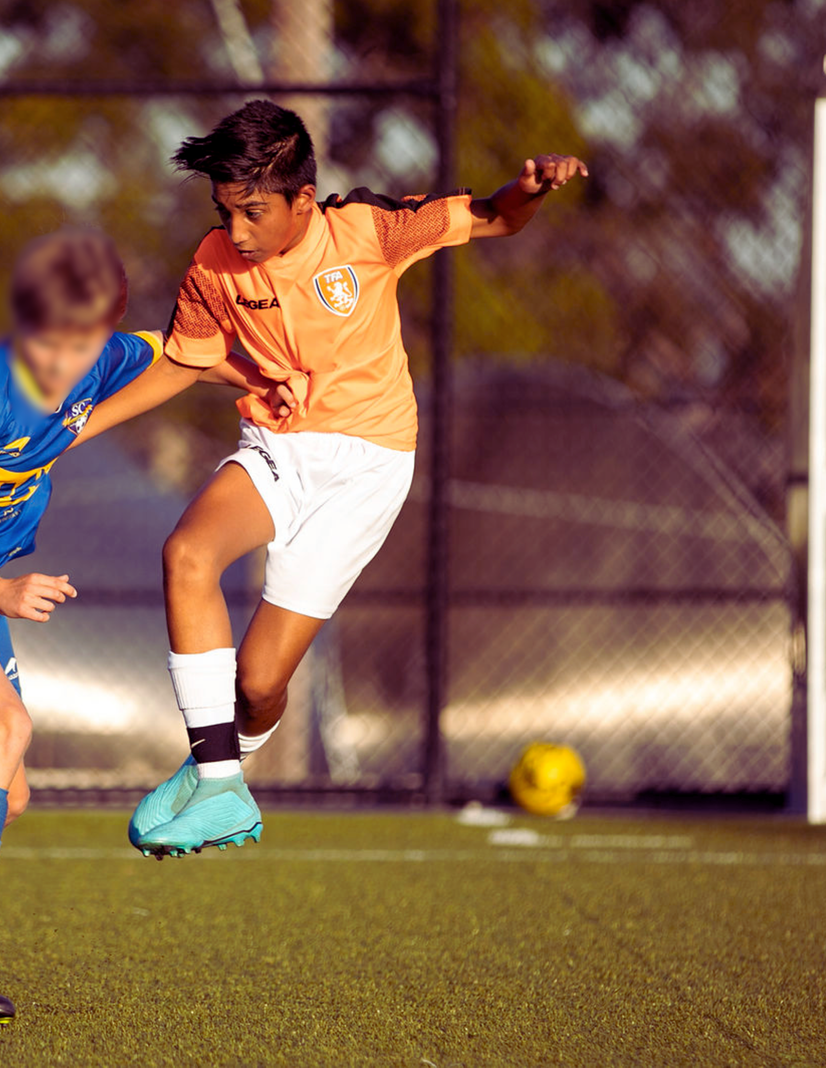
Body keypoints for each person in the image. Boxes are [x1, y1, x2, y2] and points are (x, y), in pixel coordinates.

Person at [77, 100, 588, 856]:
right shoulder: (213, 263)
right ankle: (222, 789)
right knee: (186, 555)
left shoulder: (369, 230)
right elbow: (183, 364)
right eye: (225, 212)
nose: (237, 232)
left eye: (252, 213)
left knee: (257, 688)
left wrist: (532, 189)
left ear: (303, 200)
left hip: (367, 467)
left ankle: (215, 763)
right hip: (277, 446)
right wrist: (70, 434)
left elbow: (491, 218)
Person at [0, 230, 288, 1024]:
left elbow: (181, 354)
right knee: (4, 724)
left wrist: (259, 378)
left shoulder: (107, 355)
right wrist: (1, 593)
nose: (62, 364)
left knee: (3, 794)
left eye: (82, 346)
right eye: (50, 343)